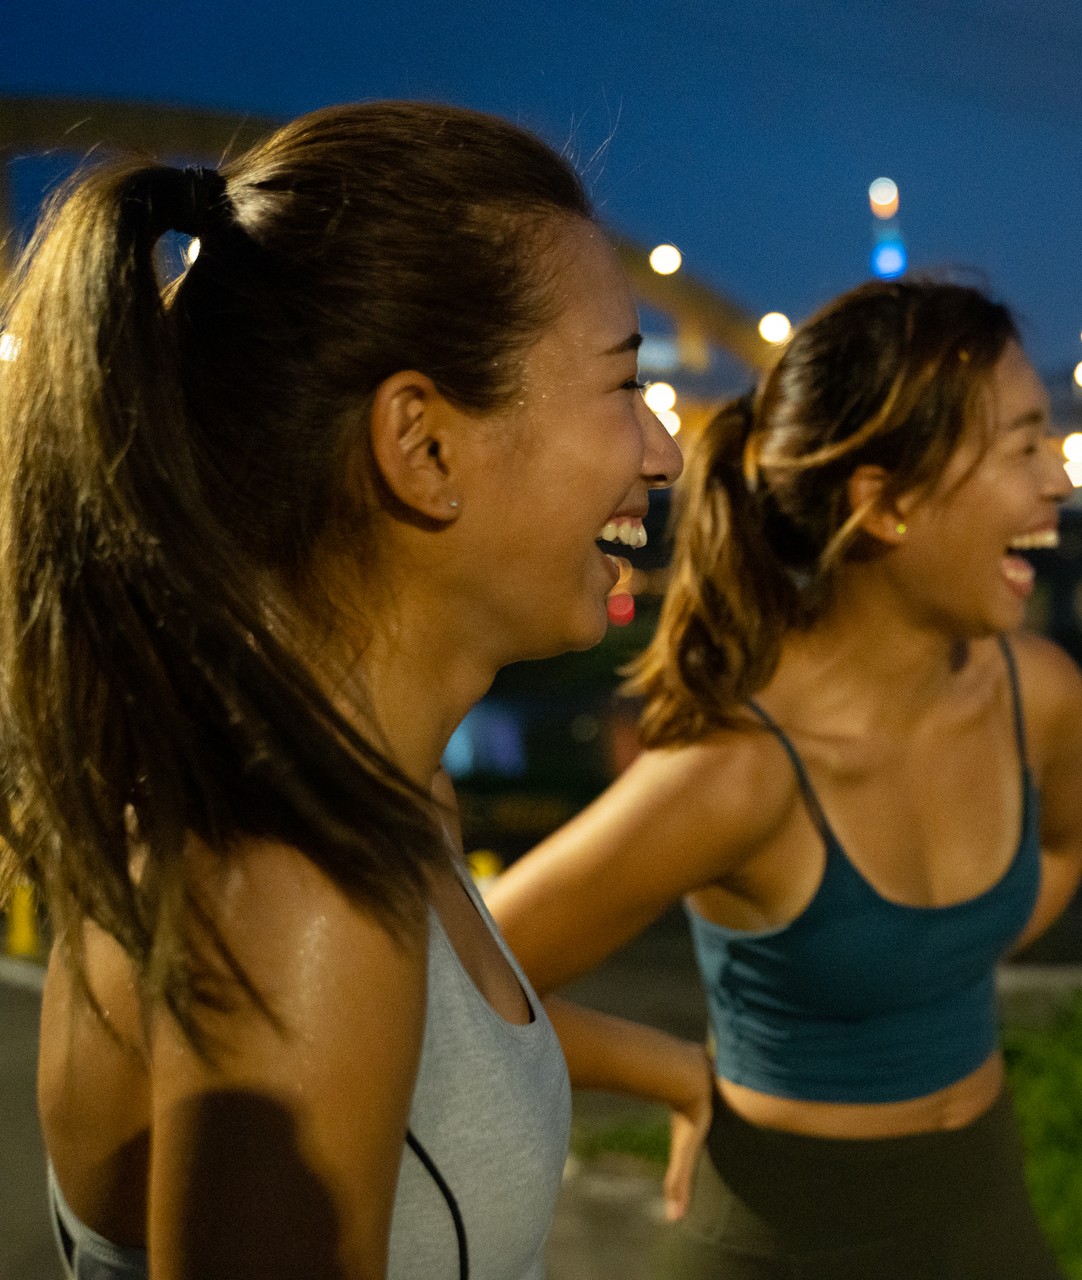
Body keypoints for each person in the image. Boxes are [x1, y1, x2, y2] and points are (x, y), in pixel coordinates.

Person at [1, 102, 681, 1278]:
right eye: (624, 384)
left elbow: (421, 1063)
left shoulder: (374, 790)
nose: (665, 448)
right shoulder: (294, 887)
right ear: (423, 447)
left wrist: (675, 1068)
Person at [488, 279, 1082, 1278]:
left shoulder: (1041, 695)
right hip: (784, 1233)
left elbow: (1071, 837)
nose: (1061, 479)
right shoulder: (739, 769)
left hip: (990, 1208)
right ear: (885, 502)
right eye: (1023, 445)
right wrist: (682, 1075)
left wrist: (933, 964)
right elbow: (465, 978)